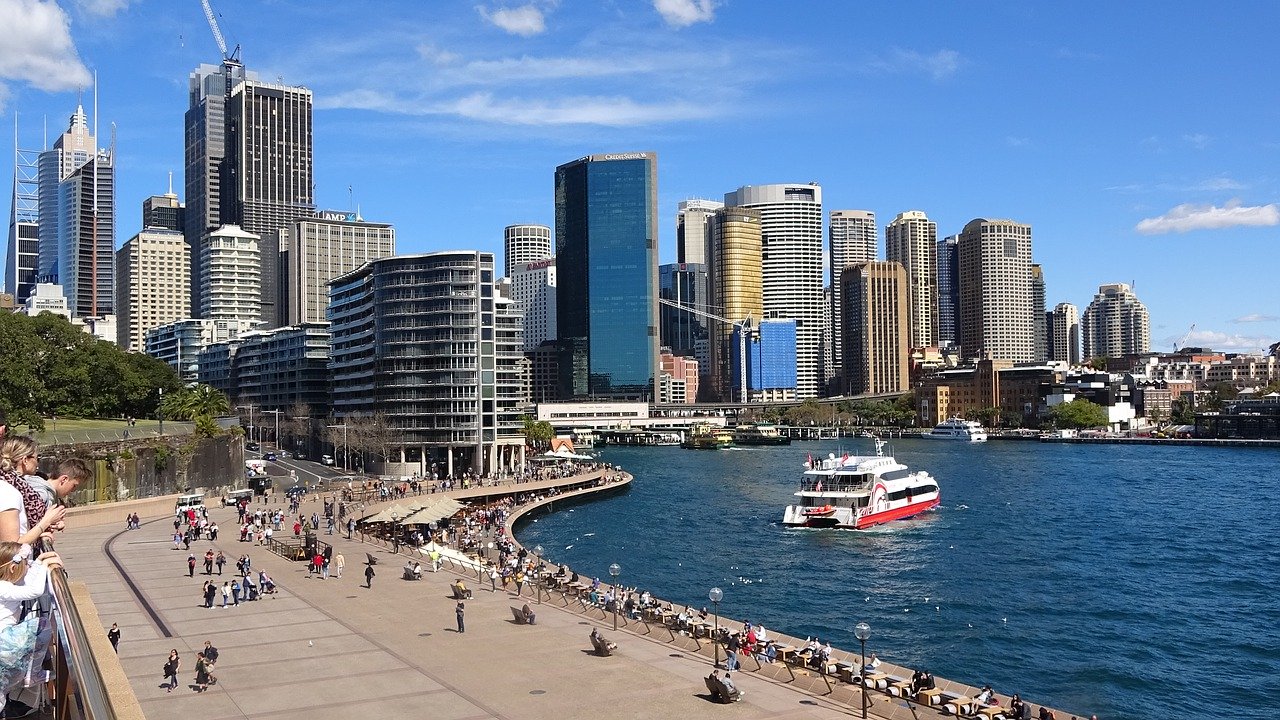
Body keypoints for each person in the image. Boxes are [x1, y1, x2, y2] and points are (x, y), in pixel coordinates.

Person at [0, 437, 67, 545]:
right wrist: (46, 521)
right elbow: (11, 546)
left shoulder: (18, 486)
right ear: (25, 460)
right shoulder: (9, 492)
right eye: (37, 458)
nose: (38, 464)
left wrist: (40, 534)